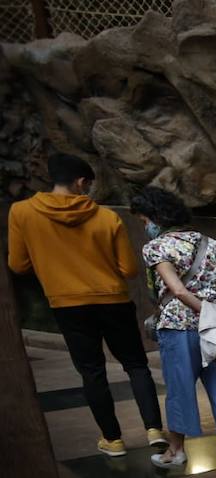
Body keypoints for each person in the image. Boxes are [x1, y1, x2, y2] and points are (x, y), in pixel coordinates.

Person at [7, 153, 166, 456]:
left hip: (67, 305)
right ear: (81, 182)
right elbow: (129, 270)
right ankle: (154, 430)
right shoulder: (106, 217)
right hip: (114, 300)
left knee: (92, 371)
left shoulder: (22, 213)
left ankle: (113, 439)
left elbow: (18, 264)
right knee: (135, 365)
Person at [129, 187, 216, 475]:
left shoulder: (157, 247)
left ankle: (176, 452)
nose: (144, 226)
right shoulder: (215, 244)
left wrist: (203, 311)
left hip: (179, 328)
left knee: (180, 390)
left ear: (154, 218)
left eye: (143, 220)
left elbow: (177, 290)